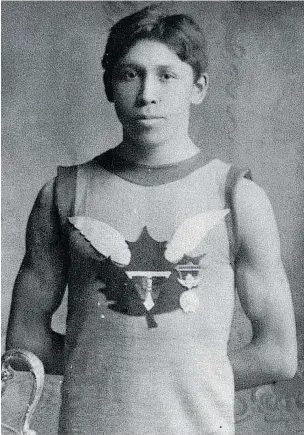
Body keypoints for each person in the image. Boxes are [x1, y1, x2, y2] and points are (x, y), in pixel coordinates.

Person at [6, 5, 297, 435]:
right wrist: (110, 370)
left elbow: (278, 354)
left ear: (198, 87)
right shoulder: (63, 194)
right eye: (129, 74)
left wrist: (173, 375)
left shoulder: (238, 197)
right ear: (109, 85)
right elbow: (25, 341)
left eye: (167, 75)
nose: (147, 94)